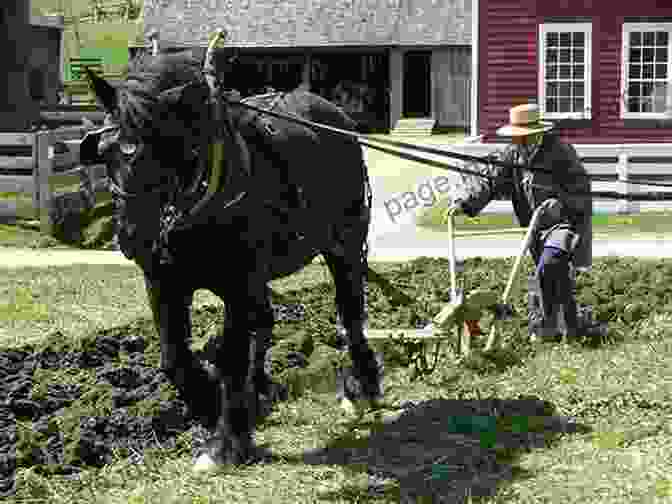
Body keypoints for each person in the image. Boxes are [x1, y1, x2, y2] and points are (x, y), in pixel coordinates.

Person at [448, 103, 595, 340]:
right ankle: (570, 326)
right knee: (553, 275)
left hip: (564, 224)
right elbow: (490, 181)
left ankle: (548, 328)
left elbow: (581, 188)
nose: (520, 142)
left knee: (550, 264)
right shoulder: (512, 154)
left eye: (524, 137)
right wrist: (465, 203)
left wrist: (561, 203)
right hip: (535, 227)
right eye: (517, 137)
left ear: (537, 133)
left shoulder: (560, 152)